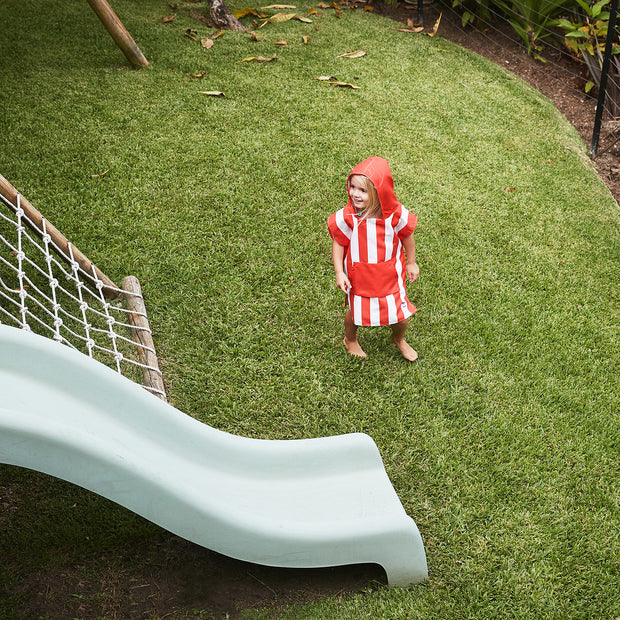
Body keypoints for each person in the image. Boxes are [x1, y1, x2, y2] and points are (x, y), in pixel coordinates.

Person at [327, 157, 420, 361]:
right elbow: (339, 242)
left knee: (400, 315)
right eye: (352, 187)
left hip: (390, 276)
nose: (355, 194)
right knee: (355, 313)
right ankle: (350, 339)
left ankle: (398, 338)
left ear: (380, 192)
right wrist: (339, 272)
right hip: (359, 277)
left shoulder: (394, 215)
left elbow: (407, 236)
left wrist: (411, 262)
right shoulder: (348, 216)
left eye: (363, 190)